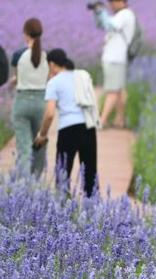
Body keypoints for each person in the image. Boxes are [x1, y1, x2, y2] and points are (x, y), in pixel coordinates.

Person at [35, 49, 99, 197]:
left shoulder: (54, 82)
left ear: (51, 64)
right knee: (90, 173)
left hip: (68, 130)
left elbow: (50, 114)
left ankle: (62, 209)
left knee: (63, 173)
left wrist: (42, 134)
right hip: (88, 127)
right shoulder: (81, 76)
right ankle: (94, 209)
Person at [10, 18, 49, 178]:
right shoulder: (46, 55)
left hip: (22, 101)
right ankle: (36, 181)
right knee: (39, 144)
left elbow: (18, 78)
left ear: (26, 34)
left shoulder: (19, 54)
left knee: (24, 146)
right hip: (41, 102)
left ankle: (24, 186)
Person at [91, 0, 136, 128]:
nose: (111, 4)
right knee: (120, 90)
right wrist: (97, 14)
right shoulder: (121, 15)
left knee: (112, 91)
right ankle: (120, 120)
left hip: (115, 58)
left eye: (113, 1)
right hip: (116, 58)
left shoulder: (125, 14)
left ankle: (102, 121)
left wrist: (101, 11)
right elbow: (102, 25)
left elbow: (111, 25)